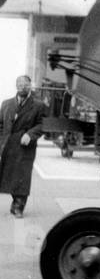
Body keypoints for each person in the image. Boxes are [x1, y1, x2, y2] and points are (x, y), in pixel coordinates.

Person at [0, 76, 47, 217]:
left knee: (22, 176)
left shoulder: (38, 105)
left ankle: (18, 206)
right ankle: (15, 202)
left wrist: (30, 134)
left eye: (25, 84)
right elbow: (0, 125)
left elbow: (43, 124)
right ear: (16, 86)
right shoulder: (6, 104)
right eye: (20, 84)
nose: (22, 86)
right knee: (10, 175)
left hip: (26, 146)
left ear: (30, 86)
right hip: (8, 145)